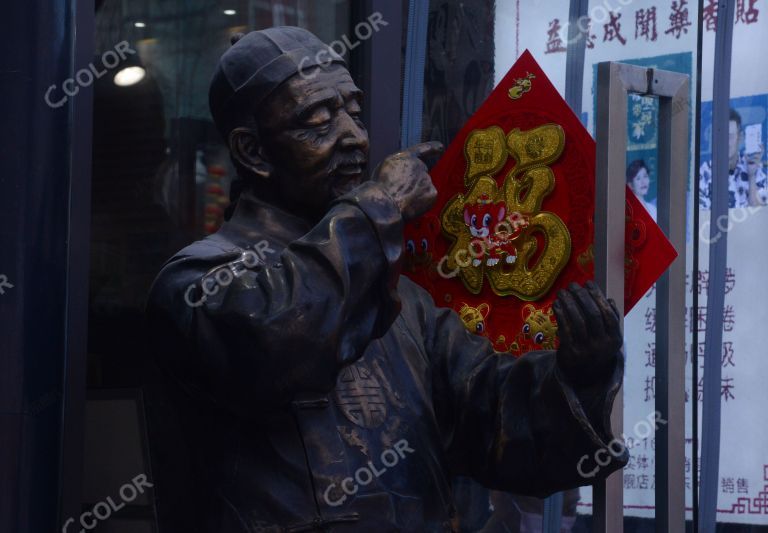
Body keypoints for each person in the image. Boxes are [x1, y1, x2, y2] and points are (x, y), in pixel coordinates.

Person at [147, 27, 626, 532]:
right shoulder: (197, 285)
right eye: (317, 120)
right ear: (253, 152)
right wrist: (382, 208)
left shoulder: (400, 296)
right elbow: (281, 337)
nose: (353, 135)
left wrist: (579, 373)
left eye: (353, 111)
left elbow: (493, 418)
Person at [699, 108, 767, 209]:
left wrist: (751, 176)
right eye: (720, 136)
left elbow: (758, 214)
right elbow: (701, 219)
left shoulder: (755, 169)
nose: (725, 142)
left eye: (729, 136)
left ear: (739, 138)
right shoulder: (704, 173)